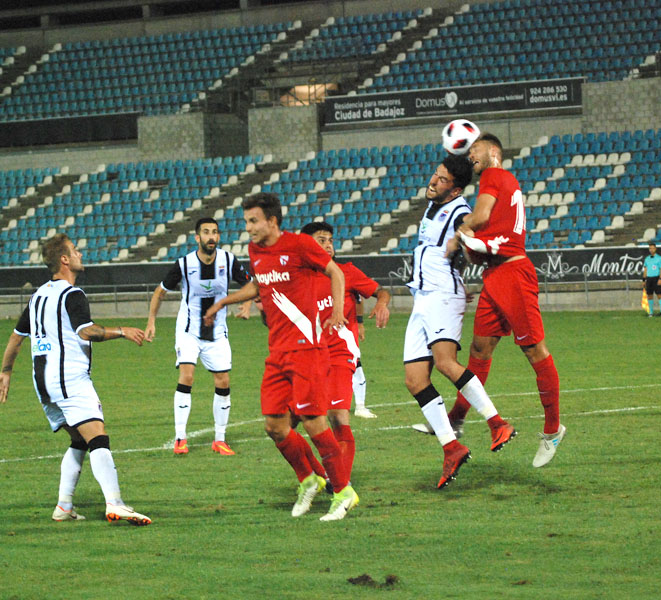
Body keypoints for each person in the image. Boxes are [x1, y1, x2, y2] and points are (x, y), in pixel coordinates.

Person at [203, 193, 358, 521]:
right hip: (278, 352)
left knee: (315, 421)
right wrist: (223, 302)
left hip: (307, 350)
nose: (248, 228)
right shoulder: (256, 250)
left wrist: (338, 311)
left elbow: (336, 273)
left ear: (272, 221)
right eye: (246, 222)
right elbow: (260, 286)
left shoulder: (300, 244)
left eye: (254, 221)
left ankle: (344, 491)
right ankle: (309, 478)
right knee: (274, 426)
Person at [0, 233, 152, 525]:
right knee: (98, 437)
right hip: (68, 378)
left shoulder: (38, 296)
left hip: (43, 381)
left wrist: (5, 371)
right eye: (75, 250)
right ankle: (115, 503)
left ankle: (64, 506)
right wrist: (122, 330)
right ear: (64, 259)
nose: (80, 253)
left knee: (79, 440)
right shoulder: (72, 294)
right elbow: (86, 332)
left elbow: (16, 338)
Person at [453, 131, 566, 468]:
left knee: (534, 350)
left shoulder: (493, 175)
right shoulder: (505, 182)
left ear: (493, 151)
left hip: (513, 275)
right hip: (495, 276)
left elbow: (481, 217)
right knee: (478, 350)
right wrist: (470, 241)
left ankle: (552, 430)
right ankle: (456, 419)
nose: (470, 156)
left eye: (475, 149)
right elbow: (479, 252)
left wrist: (461, 230)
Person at [402, 155, 514, 490]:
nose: (433, 181)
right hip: (422, 297)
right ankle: (452, 447)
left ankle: (497, 423)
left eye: (441, 179)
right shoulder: (433, 207)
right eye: (434, 175)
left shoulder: (461, 212)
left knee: (446, 363)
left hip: (443, 295)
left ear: (456, 188)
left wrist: (466, 239)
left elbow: (476, 227)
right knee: (414, 379)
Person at [144, 217, 252, 456]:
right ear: (197, 237)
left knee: (223, 381)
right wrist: (151, 321)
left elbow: (251, 285)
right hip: (189, 331)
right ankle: (180, 438)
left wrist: (248, 305)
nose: (211, 237)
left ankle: (220, 439)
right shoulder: (184, 264)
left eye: (214, 232)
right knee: (187, 375)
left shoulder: (228, 260)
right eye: (206, 232)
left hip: (217, 332)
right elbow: (159, 292)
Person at [300, 221, 390, 488]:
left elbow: (380, 291)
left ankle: (340, 483)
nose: (328, 245)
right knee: (288, 422)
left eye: (330, 240)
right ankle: (323, 474)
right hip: (309, 356)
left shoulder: (345, 272)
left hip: (340, 354)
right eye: (321, 240)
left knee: (339, 415)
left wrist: (382, 304)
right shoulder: (299, 278)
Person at [643, 243, 661, 317]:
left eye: (653, 248)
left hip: (656, 278)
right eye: (650, 248)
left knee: (659, 294)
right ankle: (651, 312)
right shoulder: (647, 259)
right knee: (649, 295)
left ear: (655, 249)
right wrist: (644, 280)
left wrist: (660, 278)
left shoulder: (659, 258)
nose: (651, 249)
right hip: (649, 279)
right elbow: (645, 269)